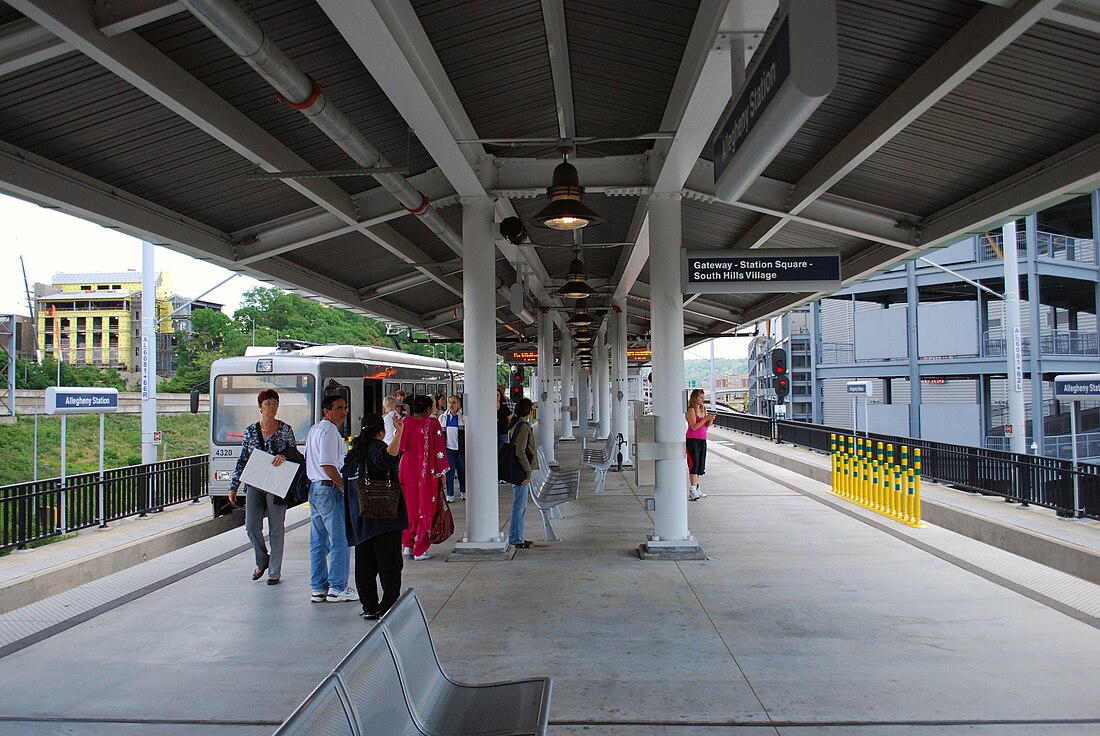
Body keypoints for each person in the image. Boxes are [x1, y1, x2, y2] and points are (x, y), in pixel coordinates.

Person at [228, 389, 297, 585]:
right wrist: (234, 485)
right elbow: (243, 459)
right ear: (260, 406)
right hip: (255, 483)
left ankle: (274, 571)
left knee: (276, 529)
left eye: (275, 403)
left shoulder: (285, 430)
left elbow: (294, 453)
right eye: (267, 404)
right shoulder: (250, 431)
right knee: (251, 525)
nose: (271, 408)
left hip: (277, 483)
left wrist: (284, 455)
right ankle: (262, 558)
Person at [343, 413, 407, 620]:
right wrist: (399, 433)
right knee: (389, 564)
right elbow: (388, 458)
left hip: (360, 519)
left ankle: (369, 606)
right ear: (381, 432)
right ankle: (387, 605)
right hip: (383, 517)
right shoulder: (376, 446)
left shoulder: (354, 453)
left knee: (365, 565)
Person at [305, 395, 356, 603]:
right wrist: (343, 487)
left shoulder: (314, 429)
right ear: (326, 411)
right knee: (341, 540)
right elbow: (328, 464)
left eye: (344, 407)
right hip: (329, 489)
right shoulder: (330, 432)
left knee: (318, 542)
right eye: (338, 408)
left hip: (315, 489)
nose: (343, 412)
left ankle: (318, 588)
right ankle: (338, 587)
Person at [398, 394, 450, 561]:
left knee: (409, 506)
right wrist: (442, 475)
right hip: (426, 471)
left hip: (407, 470)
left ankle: (407, 544)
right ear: (428, 409)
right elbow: (439, 450)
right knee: (426, 507)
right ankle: (420, 548)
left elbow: (401, 446)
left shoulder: (406, 422)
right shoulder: (433, 422)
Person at [507, 398, 539, 549]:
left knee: (518, 505)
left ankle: (515, 536)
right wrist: (528, 472)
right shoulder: (523, 427)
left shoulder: (515, 425)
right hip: (521, 471)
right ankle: (516, 539)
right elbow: (520, 452)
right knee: (520, 506)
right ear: (528, 411)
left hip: (516, 469)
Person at [685, 388, 714, 501]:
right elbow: (694, 426)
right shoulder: (691, 410)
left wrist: (709, 419)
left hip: (702, 439)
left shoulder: (703, 408)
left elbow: (705, 426)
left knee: (700, 464)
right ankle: (692, 488)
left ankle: (697, 487)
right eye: (701, 397)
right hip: (692, 439)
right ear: (695, 398)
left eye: (703, 397)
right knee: (694, 463)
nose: (703, 400)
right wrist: (704, 419)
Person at [439, 394, 465, 502]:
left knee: (462, 471)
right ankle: (450, 494)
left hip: (460, 450)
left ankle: (464, 492)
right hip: (449, 449)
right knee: (449, 472)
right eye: (450, 402)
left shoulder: (463, 418)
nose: (451, 405)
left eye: (454, 403)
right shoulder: (443, 417)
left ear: (459, 405)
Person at [496, 386, 514, 450]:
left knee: (502, 451)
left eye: (498, 395)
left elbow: (510, 419)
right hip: (492, 433)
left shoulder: (504, 407)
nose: (496, 397)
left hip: (503, 432)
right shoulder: (489, 407)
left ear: (500, 396)